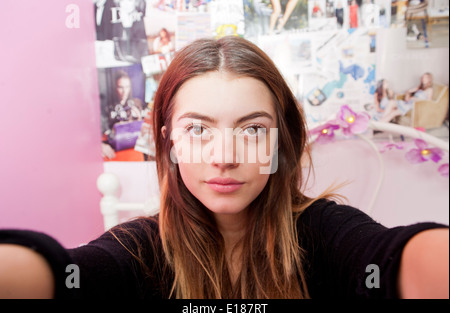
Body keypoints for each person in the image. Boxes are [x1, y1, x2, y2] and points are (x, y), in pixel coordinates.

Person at [0, 37, 448, 299]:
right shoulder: (139, 249)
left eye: (252, 130)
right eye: (198, 129)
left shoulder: (324, 233)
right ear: (168, 141)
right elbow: (70, 274)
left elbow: (386, 258)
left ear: (279, 142)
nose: (224, 156)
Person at [102, 70, 144, 161]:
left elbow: (147, 136)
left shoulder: (136, 104)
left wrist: (139, 121)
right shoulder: (106, 108)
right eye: (120, 87)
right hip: (113, 155)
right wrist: (100, 145)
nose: (125, 91)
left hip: (135, 155)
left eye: (127, 87)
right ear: (114, 88)